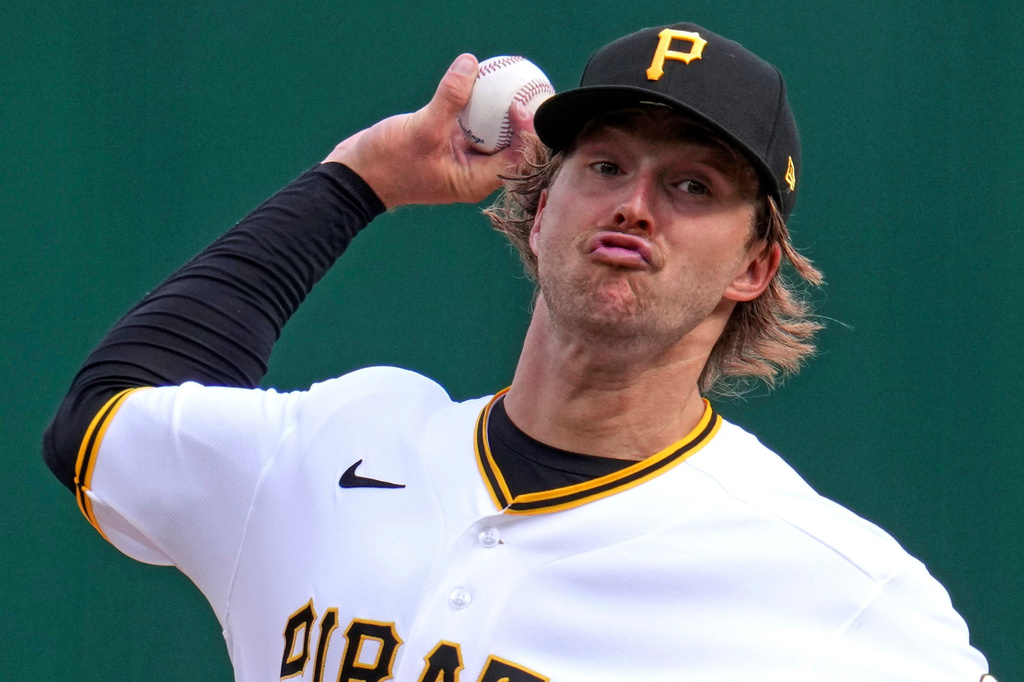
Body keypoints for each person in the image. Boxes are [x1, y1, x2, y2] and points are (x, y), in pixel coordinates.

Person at [44, 22, 991, 682]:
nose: (635, 203)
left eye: (694, 186)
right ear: (540, 212)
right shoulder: (342, 445)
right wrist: (358, 180)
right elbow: (104, 418)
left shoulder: (830, 587)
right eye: (607, 165)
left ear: (755, 265)